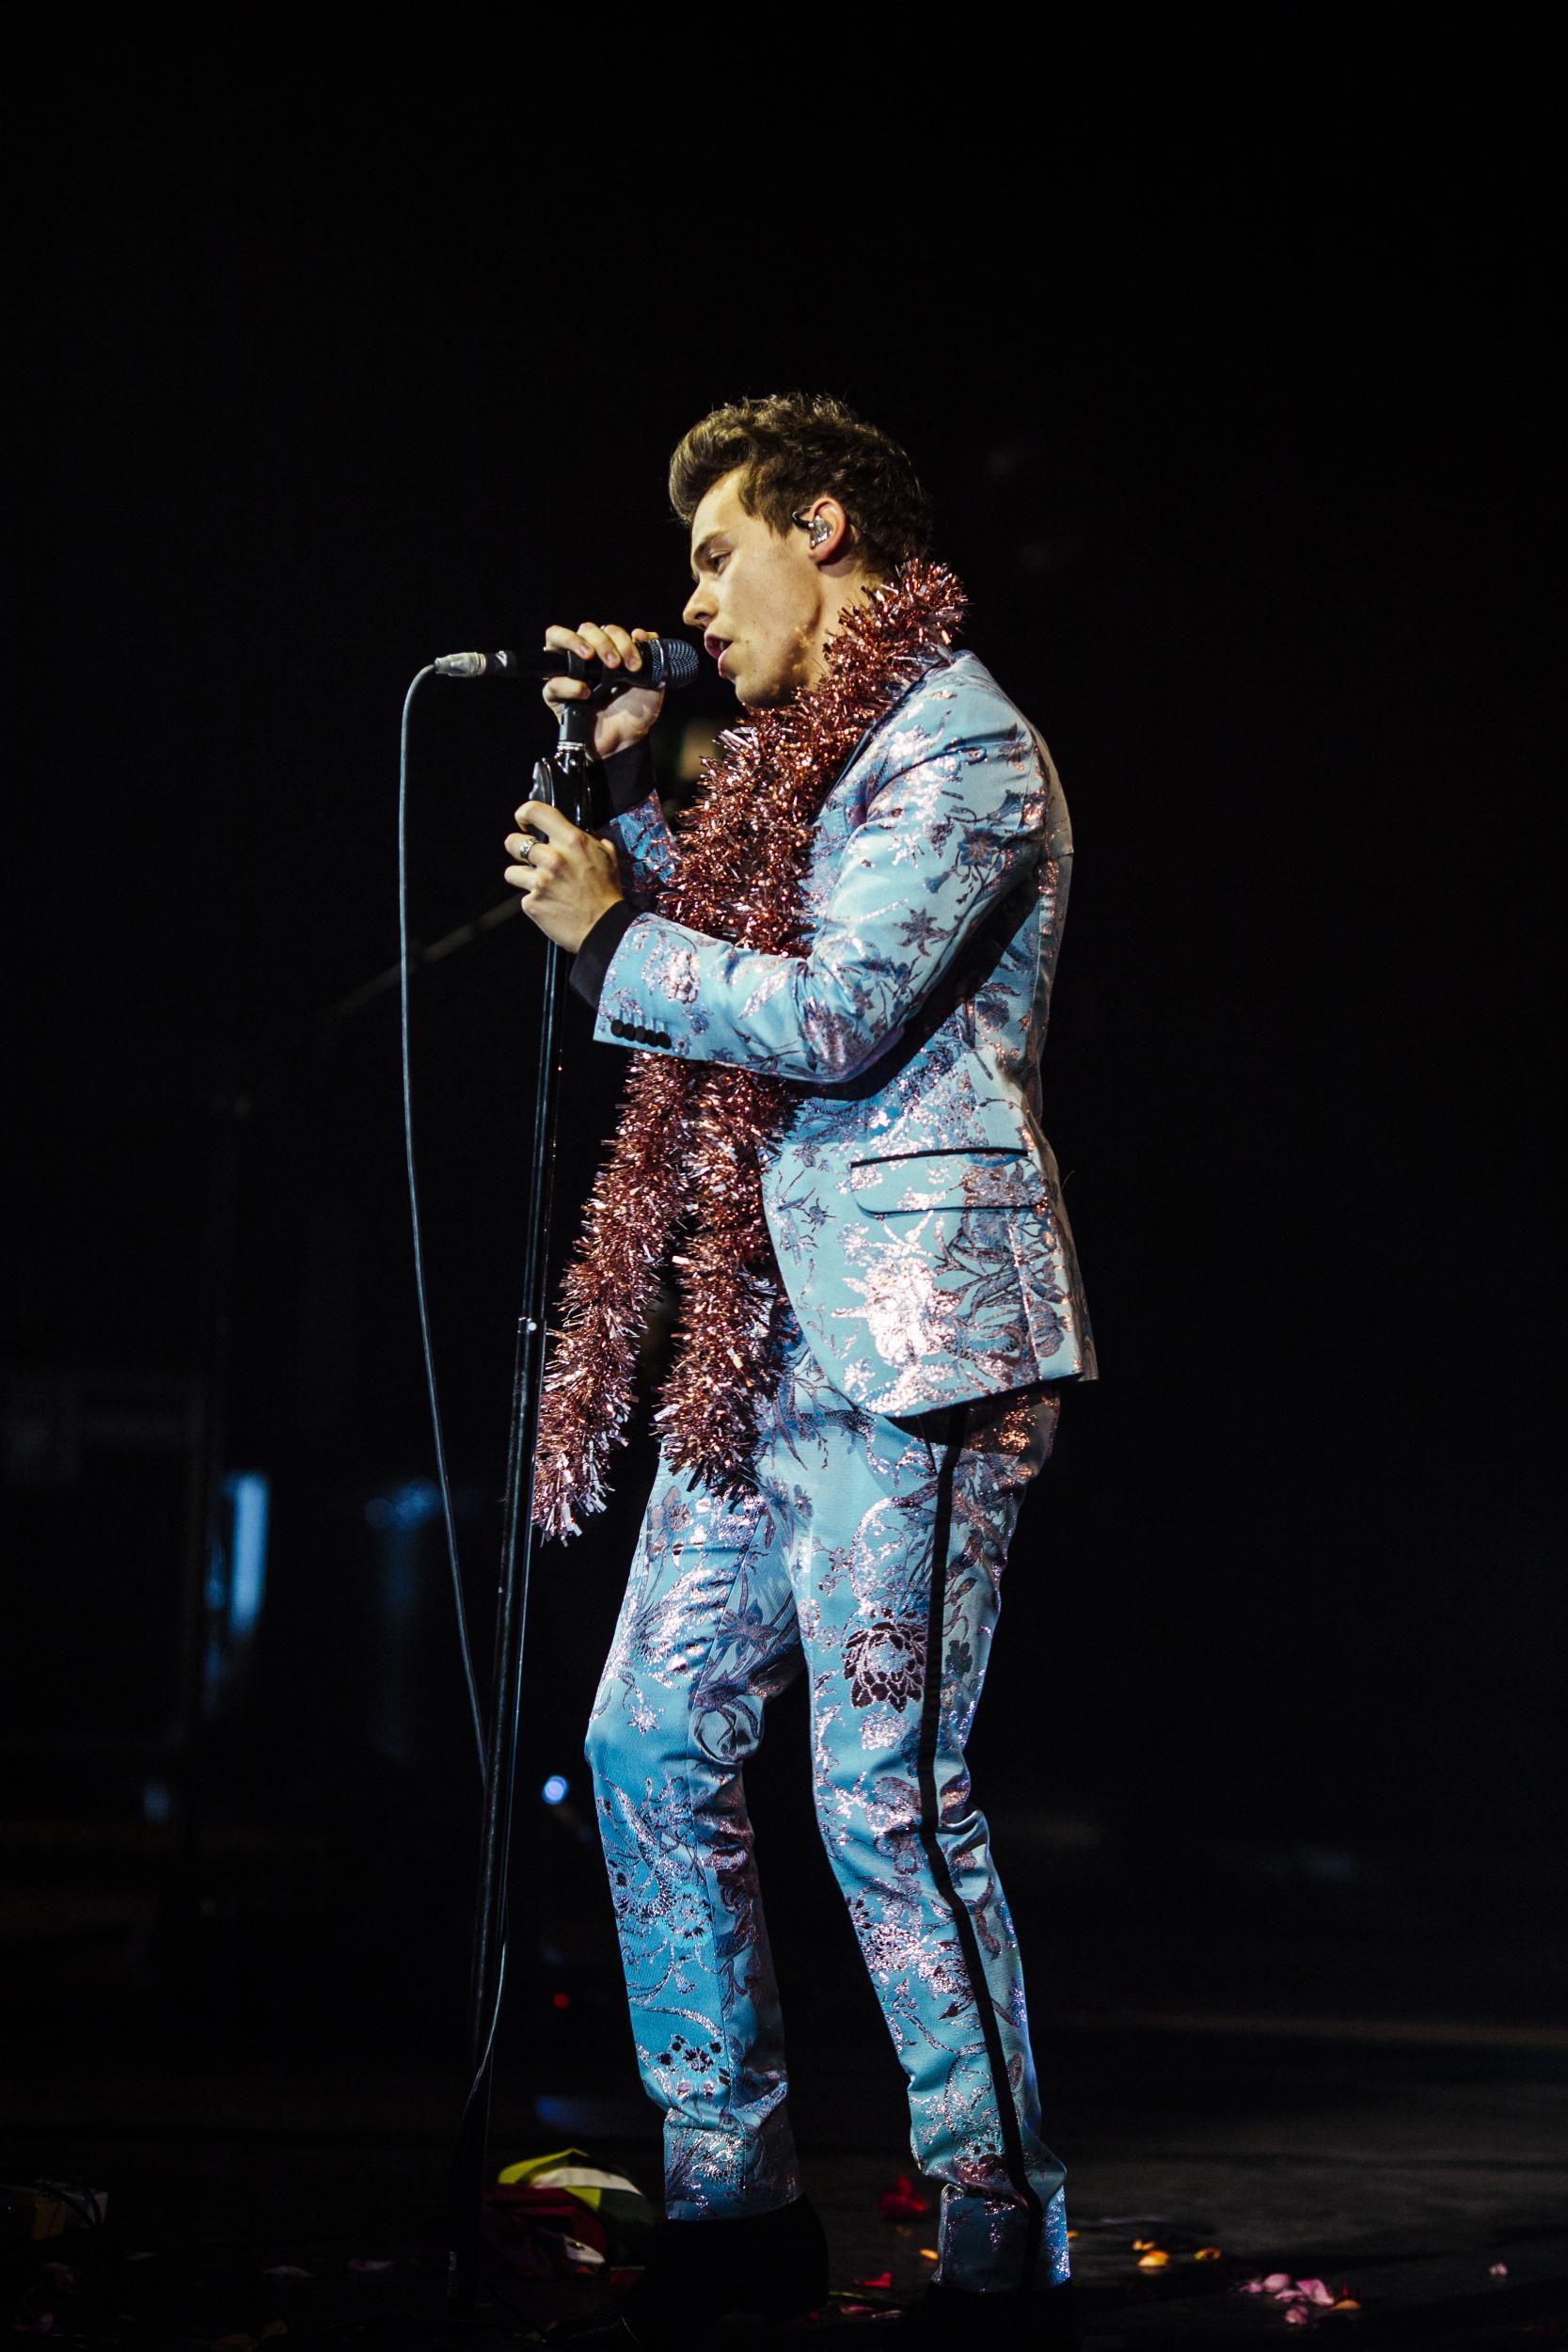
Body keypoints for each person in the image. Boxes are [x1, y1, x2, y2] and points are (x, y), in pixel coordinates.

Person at [502, 394, 1095, 2349]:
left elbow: (835, 1006)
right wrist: (643, 775)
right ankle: (731, 2194)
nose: (691, 595)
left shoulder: (968, 751)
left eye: (714, 552)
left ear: (821, 531)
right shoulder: (793, 768)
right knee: (651, 1739)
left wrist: (611, 945)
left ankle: (1003, 2237)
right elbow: (749, 922)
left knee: (885, 1796)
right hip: (757, 1334)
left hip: (921, 1342)